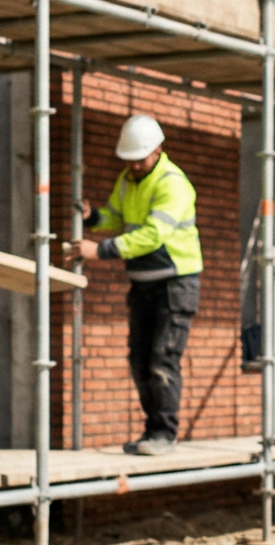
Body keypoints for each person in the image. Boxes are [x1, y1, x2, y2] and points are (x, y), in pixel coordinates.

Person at [75, 114, 202, 455]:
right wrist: (94, 218)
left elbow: (153, 235)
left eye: (139, 159)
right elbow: (117, 217)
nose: (133, 166)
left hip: (175, 283)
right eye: (128, 160)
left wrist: (100, 250)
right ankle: (152, 432)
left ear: (157, 150)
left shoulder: (172, 183)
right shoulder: (128, 179)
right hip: (143, 285)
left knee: (163, 360)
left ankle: (164, 434)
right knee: (140, 361)